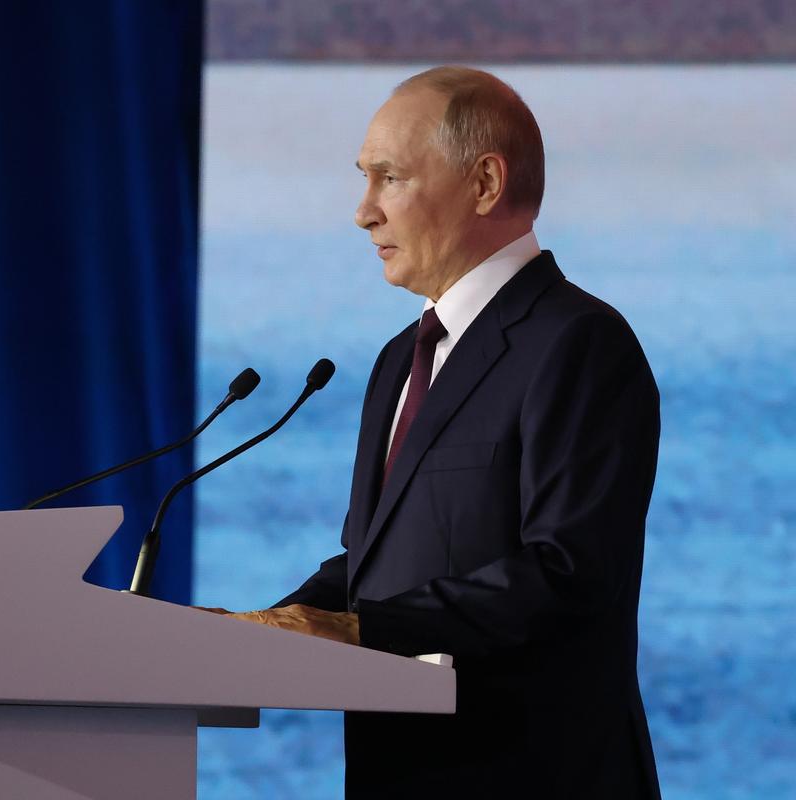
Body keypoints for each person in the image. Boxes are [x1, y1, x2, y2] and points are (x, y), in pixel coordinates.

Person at [216, 66, 663, 797]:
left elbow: (567, 572)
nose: (363, 213)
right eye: (364, 180)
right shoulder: (400, 359)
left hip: (533, 777)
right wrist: (249, 632)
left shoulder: (578, 342)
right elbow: (370, 570)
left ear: (485, 184)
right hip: (400, 774)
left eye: (389, 179)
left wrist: (362, 633)